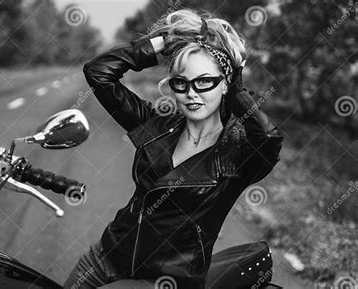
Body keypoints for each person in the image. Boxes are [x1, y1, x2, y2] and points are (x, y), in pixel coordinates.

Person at [64, 8, 283, 289]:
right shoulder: (157, 126)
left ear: (225, 84)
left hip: (163, 280)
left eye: (205, 81)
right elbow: (99, 73)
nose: (192, 93)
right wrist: (162, 43)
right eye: (182, 83)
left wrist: (237, 83)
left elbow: (269, 138)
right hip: (104, 257)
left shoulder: (237, 155)